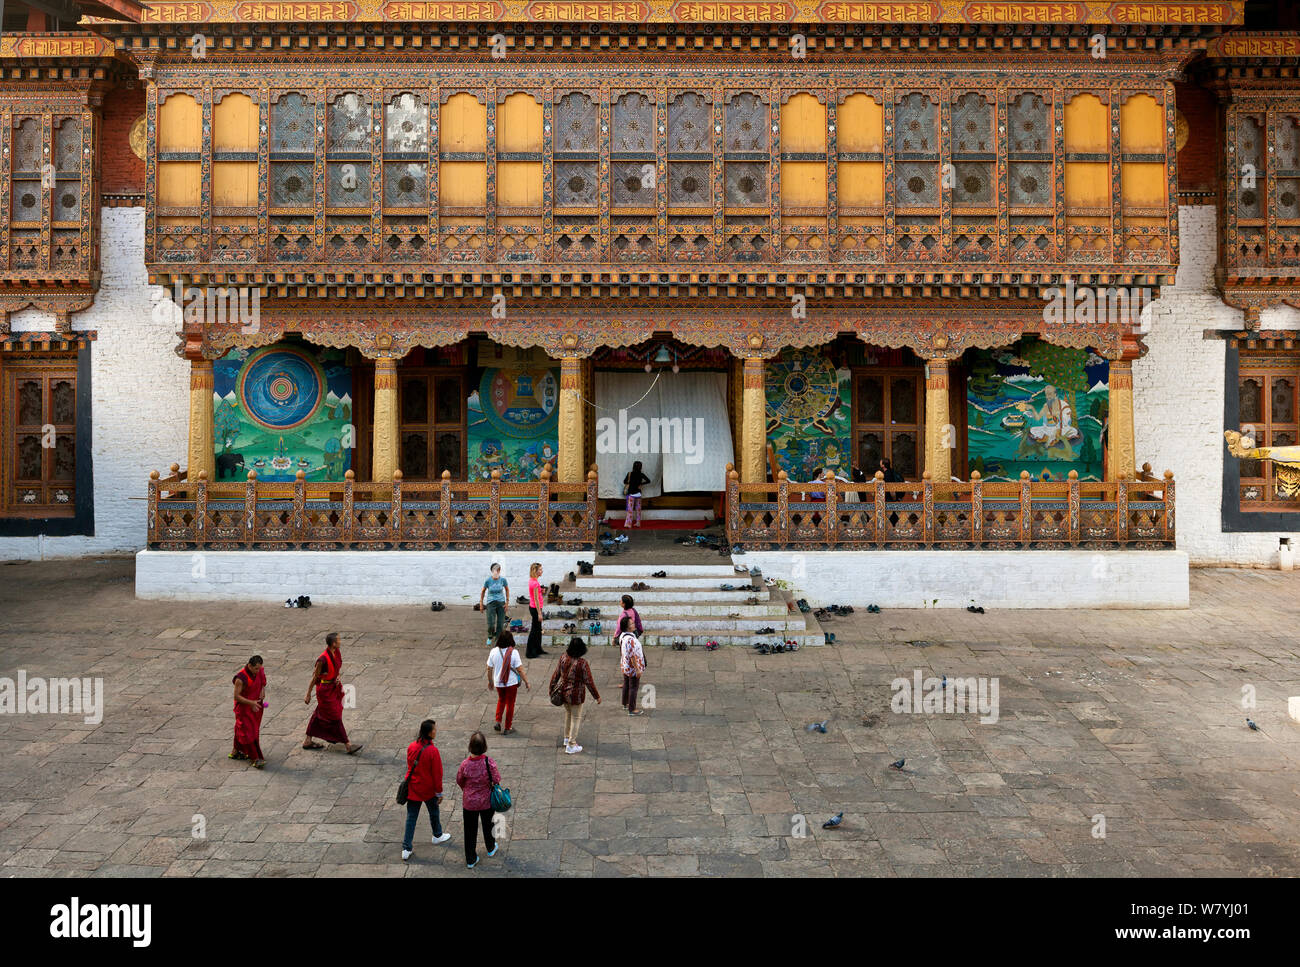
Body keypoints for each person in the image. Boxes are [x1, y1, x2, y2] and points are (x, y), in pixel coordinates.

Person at [302, 632, 363, 754]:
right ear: (333, 643)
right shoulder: (322, 659)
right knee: (334, 716)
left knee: (320, 712)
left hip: (333, 687)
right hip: (324, 690)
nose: (340, 641)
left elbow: (336, 669)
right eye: (339, 640)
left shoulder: (337, 653)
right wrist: (308, 693)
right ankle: (348, 745)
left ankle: (308, 740)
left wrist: (337, 677)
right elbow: (315, 677)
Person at [401, 719, 450, 861]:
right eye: (434, 729)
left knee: (411, 818)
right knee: (434, 813)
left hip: (413, 788)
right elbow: (437, 774)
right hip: (428, 790)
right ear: (429, 733)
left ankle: (406, 847)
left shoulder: (411, 746)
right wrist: (439, 792)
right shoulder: (432, 751)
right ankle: (437, 834)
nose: (436, 731)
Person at [455, 731, 501, 869]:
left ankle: (471, 859)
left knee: (469, 830)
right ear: (484, 747)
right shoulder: (489, 762)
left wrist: (467, 790)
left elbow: (459, 780)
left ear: (470, 746)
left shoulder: (465, 765)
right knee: (488, 825)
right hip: (487, 802)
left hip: (469, 803)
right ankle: (491, 847)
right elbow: (497, 779)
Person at [550, 637, 601, 754]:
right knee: (576, 718)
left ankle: (566, 737)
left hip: (563, 693)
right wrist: (596, 696)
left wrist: (551, 688)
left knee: (568, 714)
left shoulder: (563, 657)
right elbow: (589, 681)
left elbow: (556, 674)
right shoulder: (582, 664)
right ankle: (571, 744)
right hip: (576, 695)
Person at [487, 630, 530, 735]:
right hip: (511, 683)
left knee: (501, 700)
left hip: (498, 682)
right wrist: (526, 682)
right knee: (510, 704)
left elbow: (489, 668)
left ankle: (498, 721)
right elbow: (520, 670)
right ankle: (507, 727)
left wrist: (490, 681)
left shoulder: (493, 651)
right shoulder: (514, 653)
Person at [231, 655, 267, 768]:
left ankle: (235, 751)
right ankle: (255, 758)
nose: (258, 671)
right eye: (256, 668)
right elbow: (236, 696)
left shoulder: (259, 670)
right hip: (244, 708)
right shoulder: (241, 678)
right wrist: (251, 703)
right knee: (248, 732)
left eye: (259, 668)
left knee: (246, 729)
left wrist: (262, 690)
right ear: (249, 666)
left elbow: (263, 682)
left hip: (256, 707)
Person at [617, 616, 646, 716]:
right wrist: (637, 670)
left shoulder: (623, 636)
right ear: (627, 627)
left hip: (625, 665)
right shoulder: (630, 639)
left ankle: (625, 703)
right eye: (632, 624)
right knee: (633, 687)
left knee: (626, 684)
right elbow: (633, 655)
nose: (634, 625)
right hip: (632, 667)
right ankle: (632, 709)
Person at [479, 563, 509, 647]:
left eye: (499, 570)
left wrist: (507, 602)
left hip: (501, 603)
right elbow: (483, 591)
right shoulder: (488, 580)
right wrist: (481, 603)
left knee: (500, 623)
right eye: (496, 570)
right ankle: (490, 636)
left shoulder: (503, 580)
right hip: (491, 603)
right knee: (491, 623)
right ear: (492, 571)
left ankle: (497, 640)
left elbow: (507, 590)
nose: (498, 571)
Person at [526, 562, 548, 659]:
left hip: (535, 607)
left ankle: (538, 649)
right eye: (540, 569)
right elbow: (536, 599)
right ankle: (530, 652)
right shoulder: (534, 583)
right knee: (534, 630)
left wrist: (540, 591)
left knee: (538, 630)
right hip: (535, 608)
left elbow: (536, 594)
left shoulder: (533, 580)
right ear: (535, 571)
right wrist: (539, 613)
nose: (541, 571)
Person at [623, 460, 651, 528]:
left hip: (631, 494)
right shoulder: (641, 474)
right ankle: (638, 523)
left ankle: (629, 524)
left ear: (633, 466)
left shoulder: (630, 473)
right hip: (638, 494)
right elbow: (648, 481)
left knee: (630, 510)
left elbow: (625, 481)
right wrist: (641, 484)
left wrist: (630, 482)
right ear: (640, 467)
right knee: (638, 510)